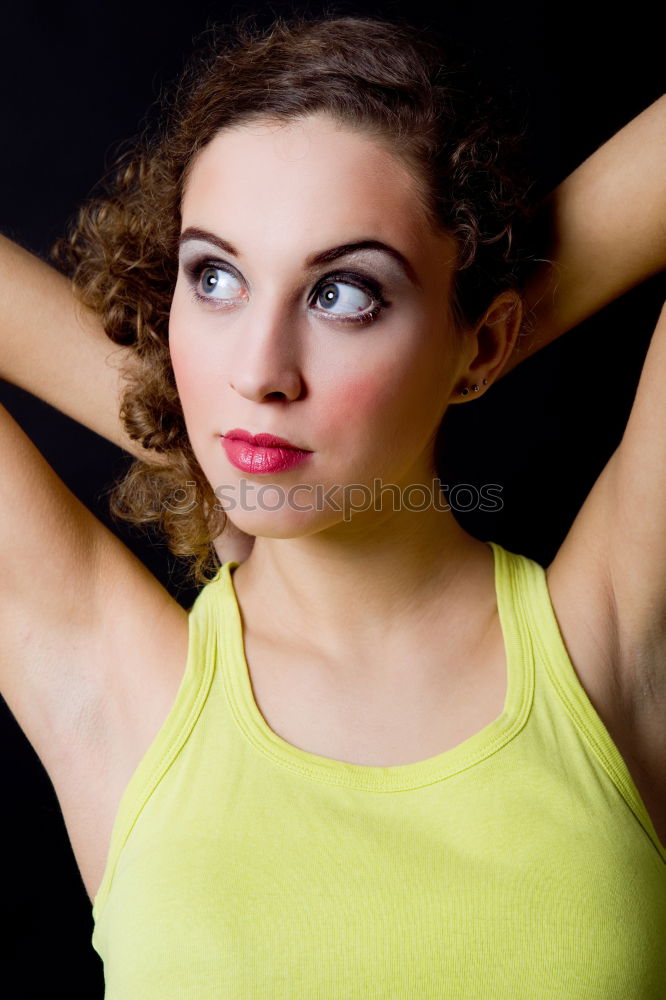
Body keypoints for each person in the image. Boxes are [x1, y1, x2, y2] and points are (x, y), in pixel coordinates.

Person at [1, 11, 664, 998]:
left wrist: (477, 340)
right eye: (216, 277)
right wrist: (184, 423)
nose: (261, 372)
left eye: (345, 294)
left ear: (485, 339)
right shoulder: (117, 685)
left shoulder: (614, 639)